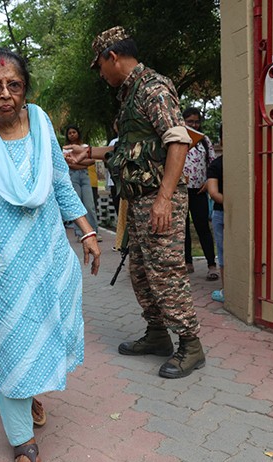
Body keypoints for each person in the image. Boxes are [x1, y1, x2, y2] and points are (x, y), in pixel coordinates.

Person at [0, 48, 101, 462]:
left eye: (13, 85)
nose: (5, 95)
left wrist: (87, 232)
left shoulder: (39, 120)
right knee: (10, 344)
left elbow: (58, 182)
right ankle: (22, 440)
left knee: (47, 327)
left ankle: (30, 391)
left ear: (25, 89)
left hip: (49, 253)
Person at [66, 26, 205, 379]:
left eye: (99, 65)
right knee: (142, 273)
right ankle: (158, 335)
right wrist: (91, 152)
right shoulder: (131, 95)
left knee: (166, 274)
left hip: (159, 198)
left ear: (112, 56)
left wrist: (163, 200)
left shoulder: (153, 87)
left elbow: (177, 141)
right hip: (138, 200)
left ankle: (191, 345)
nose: (100, 74)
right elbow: (131, 148)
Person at [182, 108, 218, 280]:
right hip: (181, 191)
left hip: (199, 191)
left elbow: (212, 163)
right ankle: (187, 262)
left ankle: (211, 264)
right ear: (183, 122)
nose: (194, 125)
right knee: (183, 229)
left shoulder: (204, 140)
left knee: (202, 226)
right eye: (190, 122)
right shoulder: (178, 139)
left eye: (196, 121)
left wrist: (208, 182)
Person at [64, 125, 101, 241]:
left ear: (78, 133)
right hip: (72, 176)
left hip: (85, 177)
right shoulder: (65, 149)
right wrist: (81, 162)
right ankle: (81, 234)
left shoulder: (85, 147)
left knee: (89, 205)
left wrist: (76, 162)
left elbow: (92, 160)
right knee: (77, 205)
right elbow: (68, 164)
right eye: (69, 133)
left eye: (74, 132)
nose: (72, 135)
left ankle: (94, 231)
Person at [207, 125, 224, 302]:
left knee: (224, 251)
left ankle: (227, 289)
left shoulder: (216, 164)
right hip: (223, 214)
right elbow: (213, 193)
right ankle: (228, 289)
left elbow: (214, 193)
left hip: (222, 212)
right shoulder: (216, 165)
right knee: (224, 252)